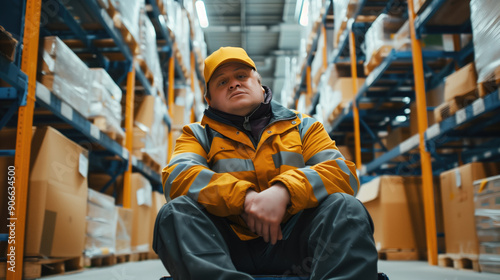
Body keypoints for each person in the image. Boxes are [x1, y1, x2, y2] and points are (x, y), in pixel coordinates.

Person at [153, 47, 378, 279]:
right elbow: (179, 176)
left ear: (259, 83)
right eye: (222, 82)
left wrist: (284, 192)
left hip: (296, 244)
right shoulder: (197, 135)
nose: (233, 84)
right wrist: (245, 199)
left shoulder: (304, 126)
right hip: (224, 249)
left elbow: (342, 173)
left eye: (242, 76)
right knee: (175, 213)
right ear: (210, 100)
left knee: (345, 207)